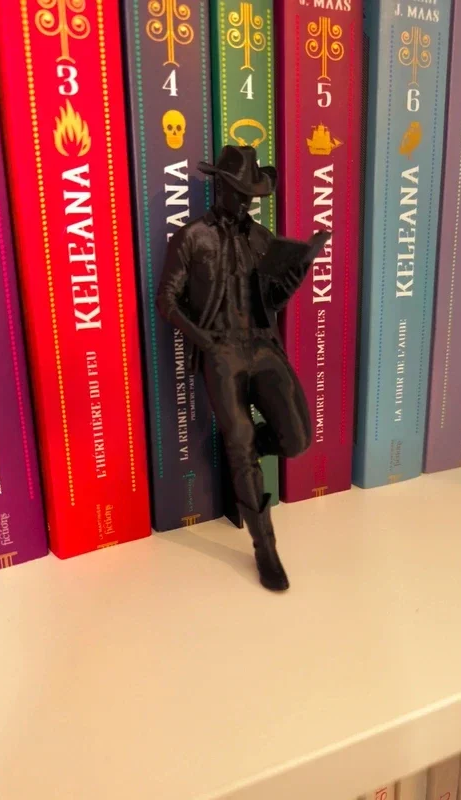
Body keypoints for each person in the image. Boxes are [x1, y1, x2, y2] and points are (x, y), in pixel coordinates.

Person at [157, 145, 328, 592]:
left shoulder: (260, 238)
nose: (247, 201)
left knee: (298, 438)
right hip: (221, 351)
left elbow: (269, 301)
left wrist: (292, 280)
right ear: (221, 186)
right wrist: (204, 340)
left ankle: (241, 456)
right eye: (240, 192)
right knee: (242, 445)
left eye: (252, 194)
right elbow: (166, 301)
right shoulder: (192, 237)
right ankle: (264, 547)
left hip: (262, 345)